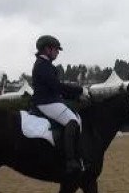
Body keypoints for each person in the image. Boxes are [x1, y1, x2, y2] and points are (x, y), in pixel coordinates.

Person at [32, 35, 87, 174]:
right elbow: (56, 86)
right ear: (47, 49)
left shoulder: (46, 65)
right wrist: (80, 89)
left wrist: (77, 96)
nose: (57, 52)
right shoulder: (42, 65)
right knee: (72, 121)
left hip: (51, 100)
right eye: (56, 49)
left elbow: (57, 90)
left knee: (77, 117)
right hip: (46, 102)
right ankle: (70, 161)